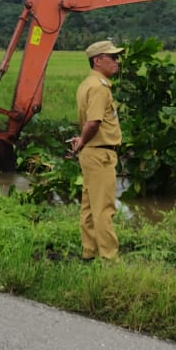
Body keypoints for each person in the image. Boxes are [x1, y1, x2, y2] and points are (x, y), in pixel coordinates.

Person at [69, 40, 124, 262]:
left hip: (91, 153)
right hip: (100, 153)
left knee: (90, 207)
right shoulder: (100, 88)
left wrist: (83, 141)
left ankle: (89, 252)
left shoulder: (86, 84)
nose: (117, 62)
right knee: (104, 208)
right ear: (98, 60)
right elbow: (93, 122)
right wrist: (82, 139)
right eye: (112, 57)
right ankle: (109, 258)